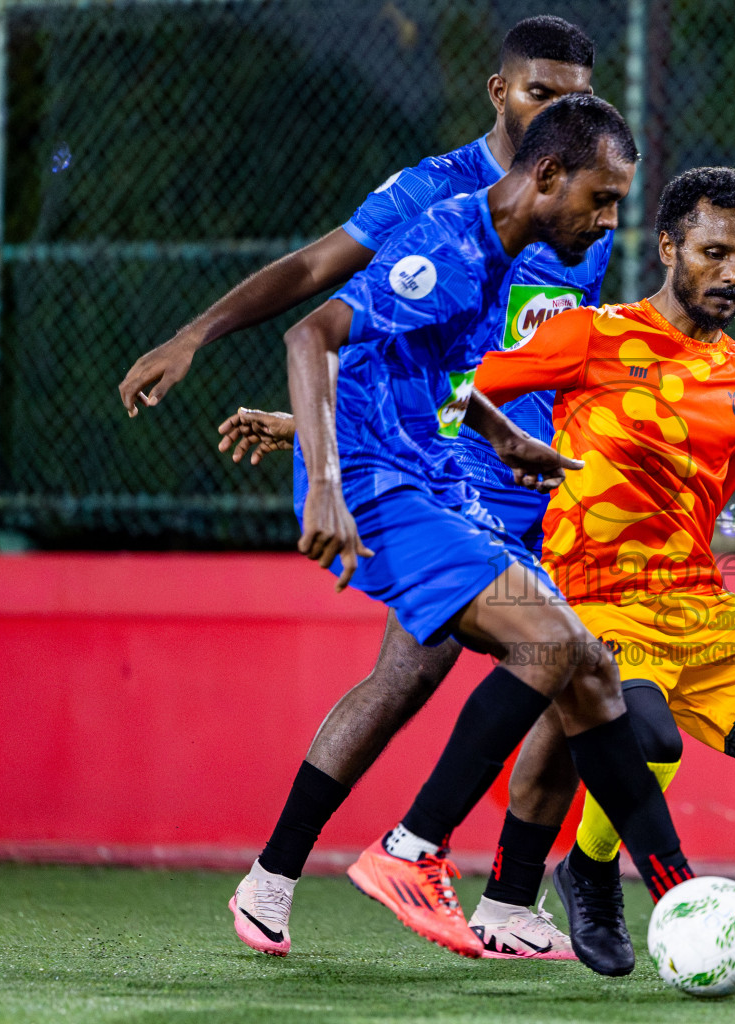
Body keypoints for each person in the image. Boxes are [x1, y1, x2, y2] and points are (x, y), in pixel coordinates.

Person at [224, 168, 735, 982]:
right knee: (643, 737)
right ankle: (585, 875)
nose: (732, 274)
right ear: (667, 245)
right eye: (713, 253)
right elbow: (451, 392)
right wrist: (311, 423)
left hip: (697, 606)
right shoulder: (589, 337)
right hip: (591, 598)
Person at [118, 17, 630, 961]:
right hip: (441, 481)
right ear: (498, 91)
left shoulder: (585, 212)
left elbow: (494, 355)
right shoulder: (435, 192)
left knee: (565, 672)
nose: (557, 110)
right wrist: (200, 338)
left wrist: (519, 437)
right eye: (539, 92)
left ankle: (496, 899)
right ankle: (369, 865)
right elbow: (317, 283)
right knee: (486, 667)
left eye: (574, 97)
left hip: (513, 470)